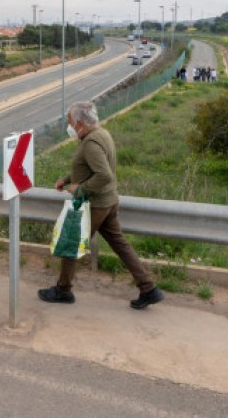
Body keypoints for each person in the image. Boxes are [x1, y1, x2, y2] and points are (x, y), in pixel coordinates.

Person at [38, 101, 164, 309]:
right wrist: (67, 179)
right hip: (108, 202)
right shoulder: (101, 134)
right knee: (121, 245)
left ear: (79, 123)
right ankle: (148, 288)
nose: (69, 127)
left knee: (71, 243)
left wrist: (79, 190)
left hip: (95, 205)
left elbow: (103, 174)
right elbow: (87, 168)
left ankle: (63, 290)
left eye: (70, 122)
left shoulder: (90, 143)